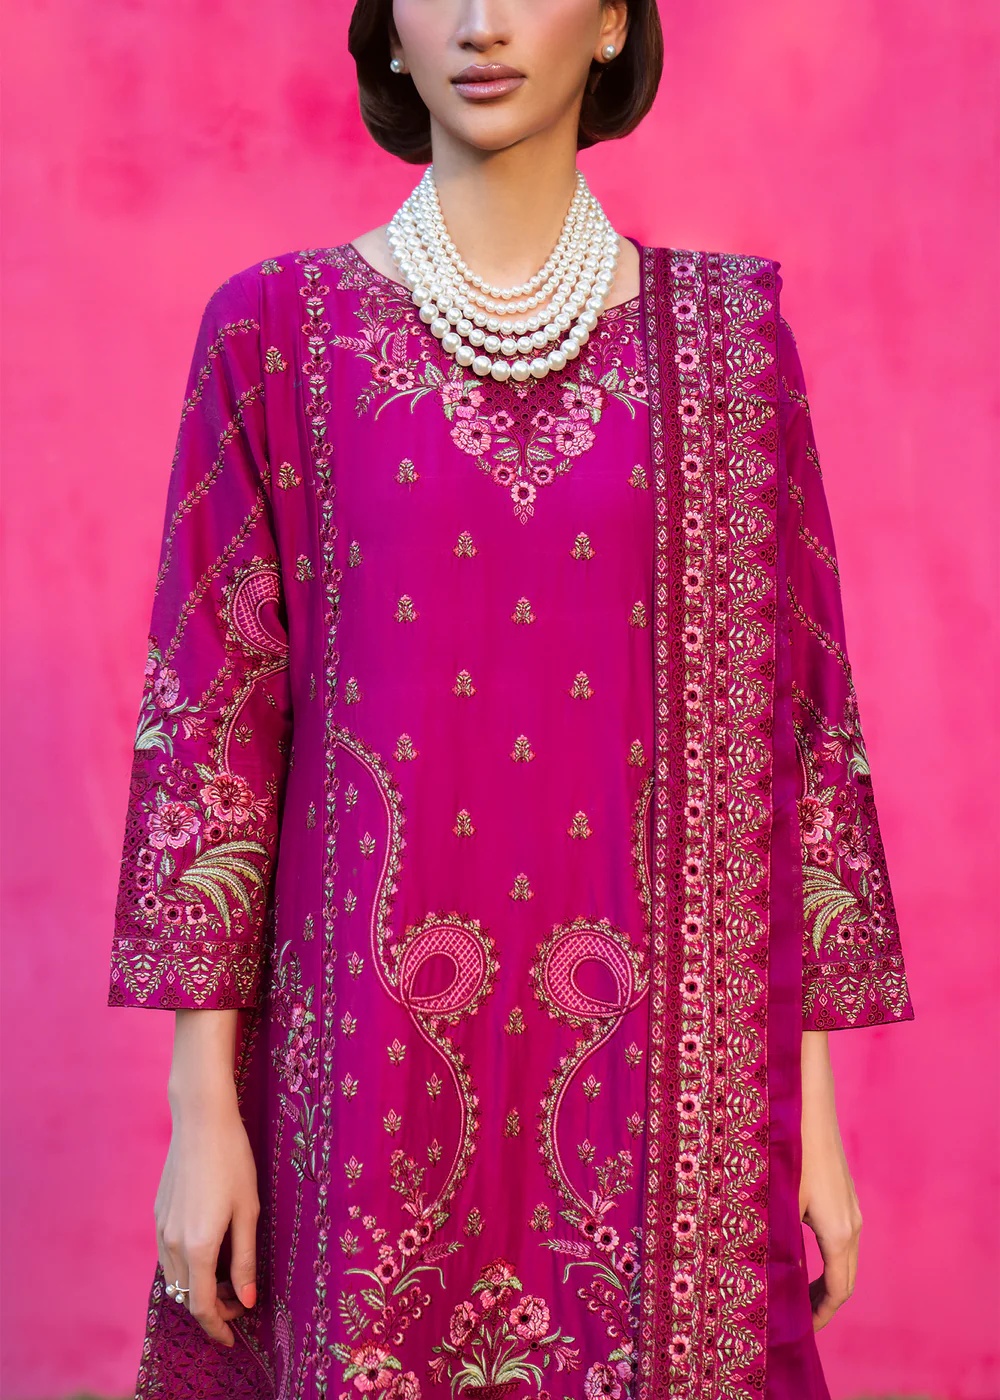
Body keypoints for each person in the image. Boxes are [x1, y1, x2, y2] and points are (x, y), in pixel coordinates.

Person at [107, 2, 915, 1396]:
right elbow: (210, 736)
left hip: (668, 1104)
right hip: (359, 1086)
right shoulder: (274, 334)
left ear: (610, 23)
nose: (482, 24)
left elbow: (795, 743)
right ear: (387, 29)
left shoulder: (729, 352)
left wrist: (811, 1121)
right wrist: (201, 1117)